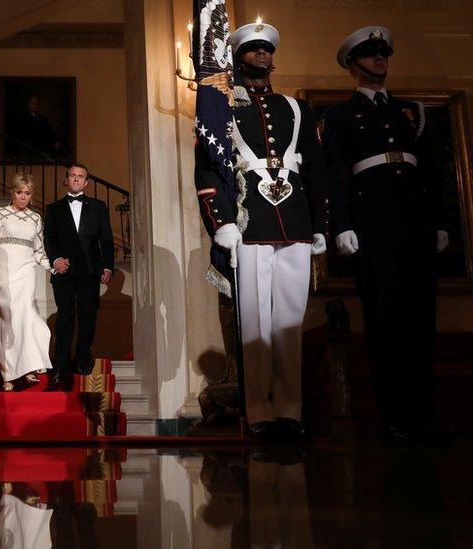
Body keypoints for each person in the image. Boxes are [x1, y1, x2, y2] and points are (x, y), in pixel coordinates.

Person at [196, 21, 328, 442]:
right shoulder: (223, 108)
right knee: (254, 324)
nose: (260, 55)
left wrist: (320, 225)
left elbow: (317, 170)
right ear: (238, 57)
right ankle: (259, 415)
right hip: (250, 220)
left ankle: (289, 412)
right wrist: (222, 223)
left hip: (294, 220)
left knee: (290, 322)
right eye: (251, 50)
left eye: (265, 50)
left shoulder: (295, 107)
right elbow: (208, 167)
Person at [321, 26, 448, 443]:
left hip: (415, 227)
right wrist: (340, 225)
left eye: (383, 54)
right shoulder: (341, 116)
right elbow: (333, 176)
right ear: (353, 66)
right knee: (385, 322)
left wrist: (440, 222)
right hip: (373, 229)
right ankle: (396, 420)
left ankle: (424, 418)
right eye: (371, 55)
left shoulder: (409, 110)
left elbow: (430, 173)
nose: (379, 60)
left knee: (420, 324)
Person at [43, 163, 114, 386]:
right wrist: (55, 260)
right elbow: (49, 239)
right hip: (63, 270)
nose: (76, 179)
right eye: (72, 176)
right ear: (67, 180)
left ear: (86, 182)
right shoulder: (53, 209)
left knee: (87, 316)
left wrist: (108, 266)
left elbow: (106, 239)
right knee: (65, 316)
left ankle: (83, 361)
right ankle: (61, 368)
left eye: (80, 176)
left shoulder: (99, 206)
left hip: (90, 270)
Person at [0, 173, 54, 391]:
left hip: (26, 270)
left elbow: (39, 251)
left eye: (27, 193)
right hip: (3, 270)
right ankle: (7, 373)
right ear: (12, 193)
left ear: (31, 195)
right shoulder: (0, 214)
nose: (23, 197)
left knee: (26, 315)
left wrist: (53, 267)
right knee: (8, 318)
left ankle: (27, 367)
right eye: (19, 192)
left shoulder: (36, 218)